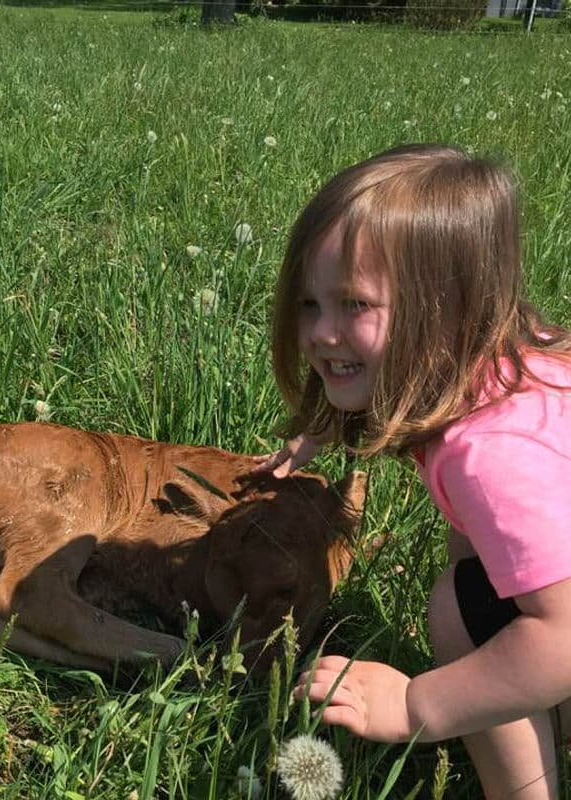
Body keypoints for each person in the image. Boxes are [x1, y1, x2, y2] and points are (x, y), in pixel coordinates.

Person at [253, 143, 571, 798]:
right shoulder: (506, 364)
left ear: (448, 310)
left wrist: (416, 705)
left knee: (462, 612)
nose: (319, 331)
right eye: (310, 305)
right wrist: (321, 427)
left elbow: (565, 635)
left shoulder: (491, 458)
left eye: (354, 305)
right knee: (478, 582)